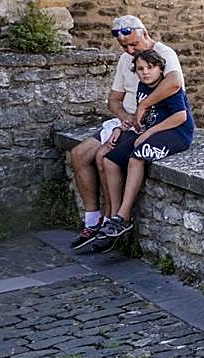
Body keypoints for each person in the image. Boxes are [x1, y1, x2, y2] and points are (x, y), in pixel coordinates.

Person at [69, 15, 183, 250]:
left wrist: (143, 107)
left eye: (134, 44)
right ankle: (93, 219)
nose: (130, 50)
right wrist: (123, 118)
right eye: (125, 47)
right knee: (79, 154)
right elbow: (114, 99)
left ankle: (113, 219)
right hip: (125, 120)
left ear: (145, 34)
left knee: (104, 156)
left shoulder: (164, 54)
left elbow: (175, 83)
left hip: (148, 121)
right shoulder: (126, 60)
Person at [97, 49, 195, 239]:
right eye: (140, 68)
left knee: (137, 157)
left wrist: (148, 133)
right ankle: (114, 218)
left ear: (161, 68)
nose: (145, 72)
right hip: (151, 131)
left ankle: (124, 217)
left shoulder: (168, 89)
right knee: (110, 160)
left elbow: (180, 117)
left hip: (176, 132)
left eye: (151, 67)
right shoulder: (142, 87)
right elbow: (145, 117)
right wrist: (123, 127)